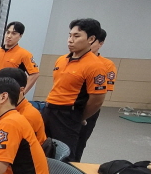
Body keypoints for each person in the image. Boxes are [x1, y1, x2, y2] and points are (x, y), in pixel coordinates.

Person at [41, 18, 107, 162]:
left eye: (76, 36)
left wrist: (79, 117)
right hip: (49, 110)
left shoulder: (95, 66)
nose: (70, 40)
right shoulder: (61, 59)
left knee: (65, 157)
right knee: (42, 149)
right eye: (70, 35)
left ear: (91, 39)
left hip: (68, 116)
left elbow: (97, 100)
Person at [76, 28, 116, 161]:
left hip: (88, 107)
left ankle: (72, 169)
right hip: (66, 106)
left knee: (79, 142)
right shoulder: (72, 59)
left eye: (93, 41)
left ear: (100, 43)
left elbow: (99, 95)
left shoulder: (106, 65)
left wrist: (84, 115)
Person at [0, 21, 40, 94]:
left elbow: (35, 74)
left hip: (10, 93)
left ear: (20, 36)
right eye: (8, 32)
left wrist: (22, 93)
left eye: (14, 33)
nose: (9, 36)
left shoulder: (24, 54)